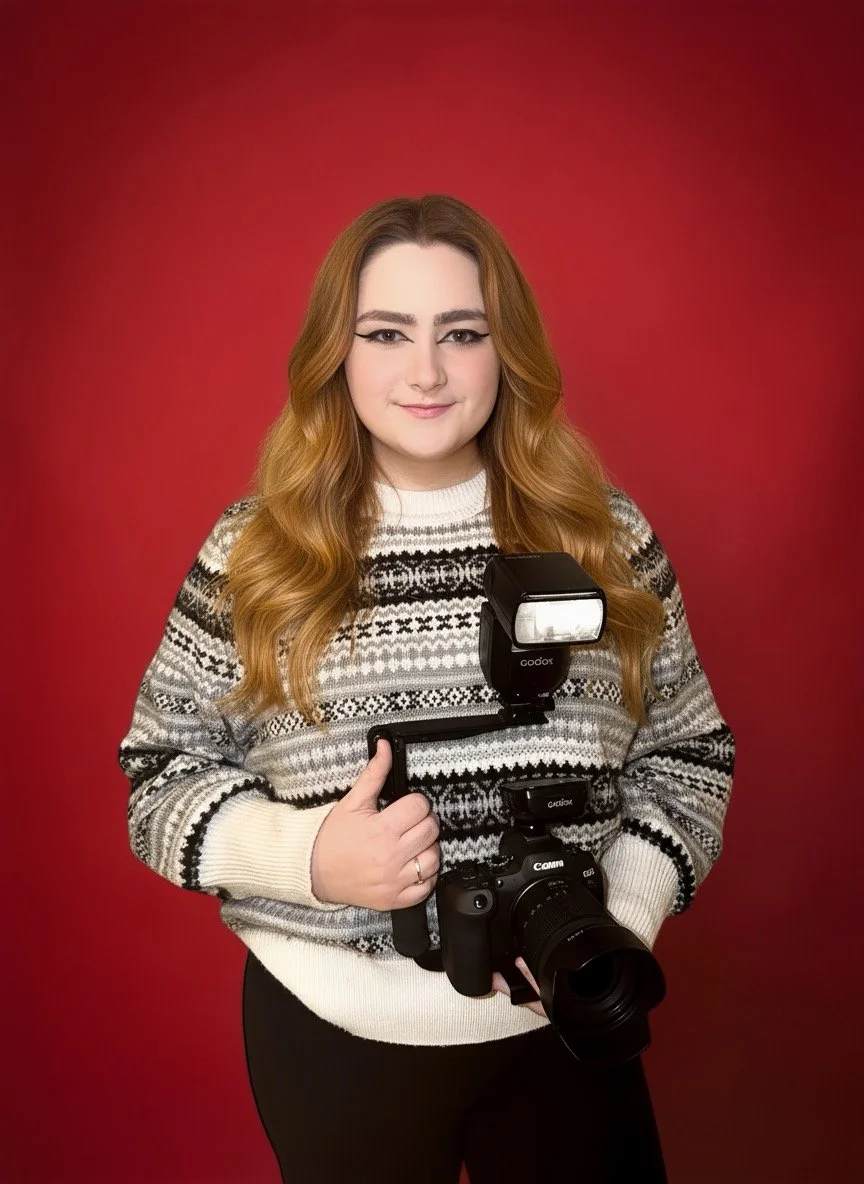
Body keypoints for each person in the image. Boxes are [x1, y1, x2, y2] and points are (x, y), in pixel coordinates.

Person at [118, 193, 735, 1184]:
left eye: (463, 332)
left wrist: (615, 915)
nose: (426, 371)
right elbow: (157, 776)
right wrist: (310, 852)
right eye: (387, 332)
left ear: (509, 351)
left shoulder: (607, 537)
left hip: (569, 1014)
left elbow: (688, 752)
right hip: (332, 1029)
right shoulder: (255, 552)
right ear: (338, 354)